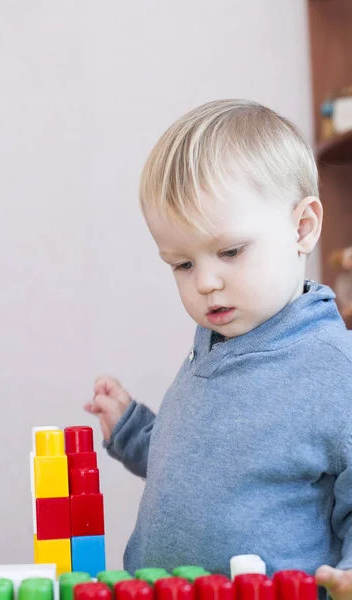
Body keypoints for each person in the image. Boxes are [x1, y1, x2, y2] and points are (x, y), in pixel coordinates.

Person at [85, 99, 352, 600]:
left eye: (229, 252)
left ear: (302, 228)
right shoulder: (211, 348)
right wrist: (133, 429)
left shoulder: (335, 370)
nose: (205, 282)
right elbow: (201, 464)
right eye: (181, 264)